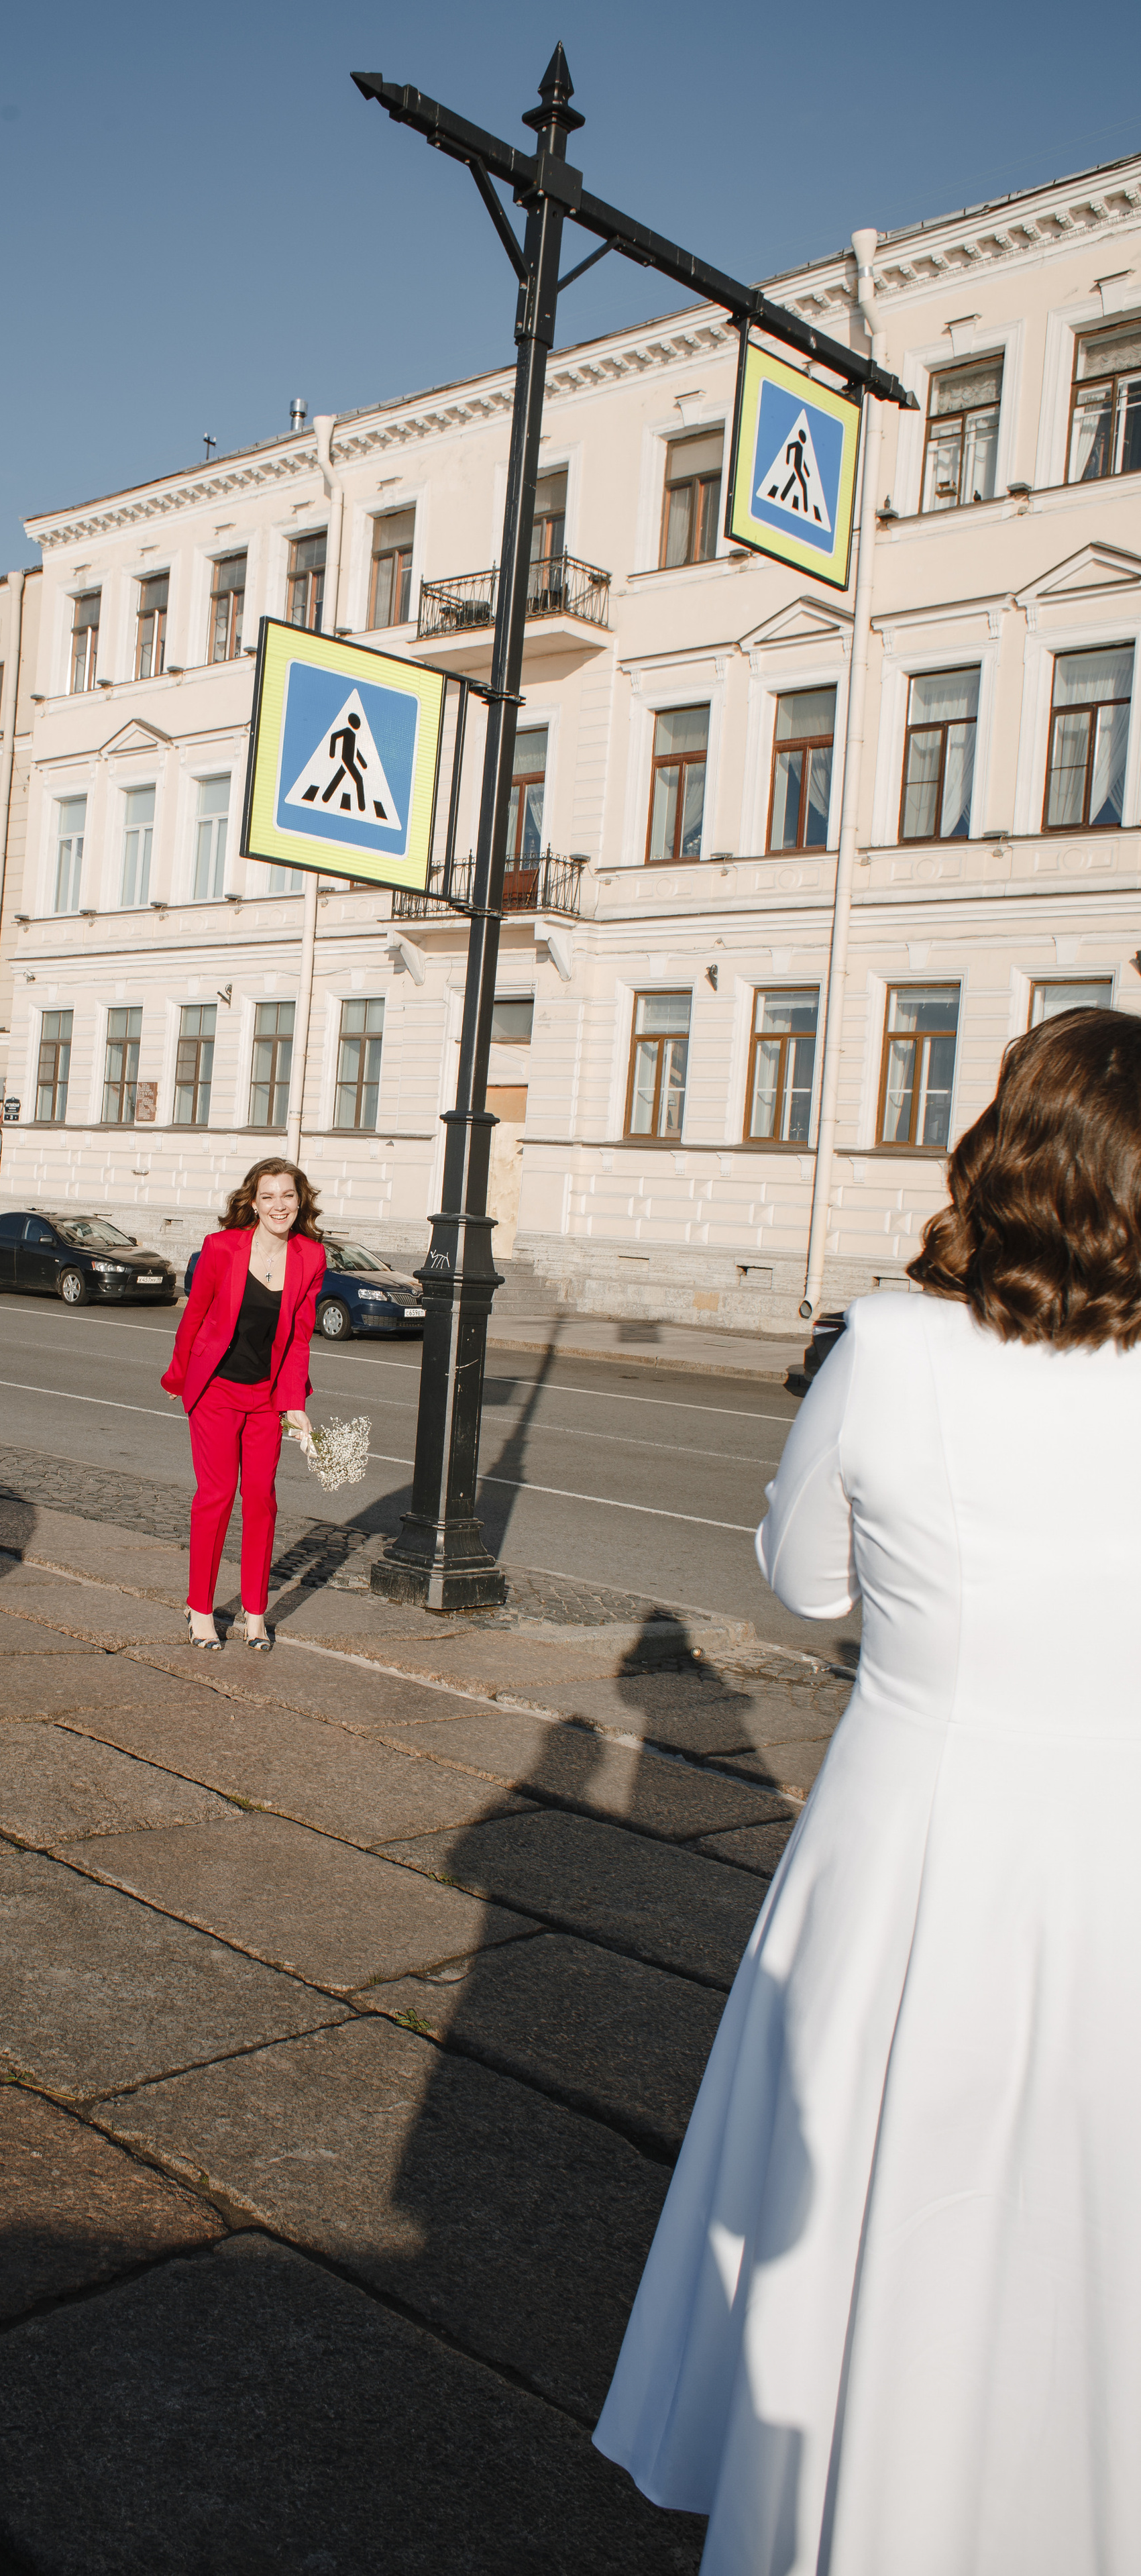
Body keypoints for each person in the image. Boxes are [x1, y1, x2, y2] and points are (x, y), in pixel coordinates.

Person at [593, 1007, 1141, 2575]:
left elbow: (807, 1580)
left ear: (1003, 1145)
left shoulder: (892, 1345)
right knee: (1082, 2189)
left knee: (870, 2160)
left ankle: (839, 2495)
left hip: (914, 1823)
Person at [162, 1157, 326, 1651]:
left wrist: (294, 1404)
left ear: (300, 1201)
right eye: (268, 1196)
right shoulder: (221, 1248)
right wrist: (178, 1378)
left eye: (288, 1196)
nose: (279, 1205)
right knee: (216, 1496)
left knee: (260, 1498)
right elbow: (195, 1317)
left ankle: (256, 1614)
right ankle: (201, 1610)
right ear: (253, 1202)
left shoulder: (311, 1257)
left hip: (266, 1397)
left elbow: (299, 1338)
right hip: (216, 1390)